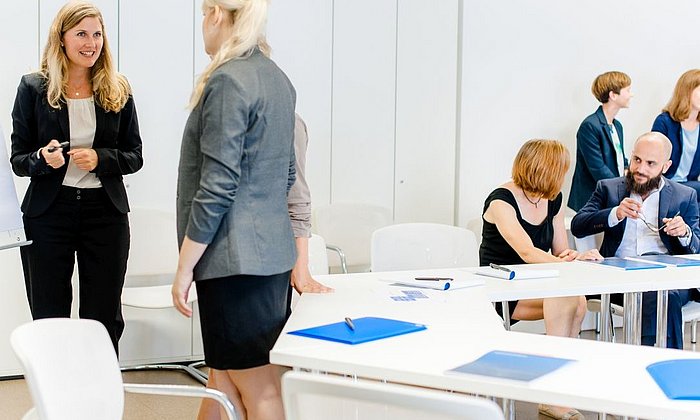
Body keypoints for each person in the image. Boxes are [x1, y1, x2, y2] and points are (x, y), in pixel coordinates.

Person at [171, 1, 296, 419]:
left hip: (233, 264)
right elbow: (288, 174)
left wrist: (185, 266)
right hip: (269, 259)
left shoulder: (228, 81)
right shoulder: (277, 79)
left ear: (217, 16)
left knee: (258, 387)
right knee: (223, 378)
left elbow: (218, 186)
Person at [9, 1, 142, 352]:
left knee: (103, 316)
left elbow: (135, 156)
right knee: (49, 315)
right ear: (62, 38)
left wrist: (101, 158)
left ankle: (99, 394)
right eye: (81, 33)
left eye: (97, 34)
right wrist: (42, 159)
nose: (91, 42)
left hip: (106, 214)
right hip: (49, 215)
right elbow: (18, 159)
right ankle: (56, 394)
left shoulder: (118, 88)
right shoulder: (33, 88)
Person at [480, 139, 601, 420]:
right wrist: (564, 264)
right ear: (545, 169)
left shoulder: (552, 200)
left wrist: (574, 256)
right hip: (500, 287)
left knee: (578, 301)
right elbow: (526, 251)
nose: (564, 176)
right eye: (561, 170)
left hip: (536, 282)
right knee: (565, 299)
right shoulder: (501, 200)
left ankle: (557, 384)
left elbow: (559, 250)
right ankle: (548, 394)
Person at [571, 132, 700, 350]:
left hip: (668, 280)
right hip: (619, 279)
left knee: (662, 293)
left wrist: (685, 232)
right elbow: (578, 225)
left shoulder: (684, 195)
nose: (640, 169)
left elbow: (697, 247)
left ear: (665, 166)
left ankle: (650, 357)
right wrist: (614, 214)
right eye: (637, 160)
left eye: (651, 164)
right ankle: (662, 360)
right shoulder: (608, 188)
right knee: (660, 295)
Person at [568, 71, 632, 251]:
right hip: (590, 200)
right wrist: (621, 189)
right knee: (589, 254)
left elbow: (621, 159)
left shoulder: (617, 125)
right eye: (627, 90)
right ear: (613, 95)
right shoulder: (590, 125)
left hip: (612, 197)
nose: (631, 94)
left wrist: (630, 173)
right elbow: (597, 167)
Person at [651, 69, 700, 198]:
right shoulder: (665, 122)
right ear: (687, 91)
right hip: (665, 185)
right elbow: (652, 161)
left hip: (691, 187)